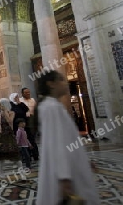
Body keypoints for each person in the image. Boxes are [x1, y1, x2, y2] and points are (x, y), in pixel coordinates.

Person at [36, 70, 100, 205]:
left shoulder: (52, 106)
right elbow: (56, 144)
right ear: (51, 84)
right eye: (62, 80)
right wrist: (64, 177)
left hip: (71, 167)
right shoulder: (51, 108)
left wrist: (83, 159)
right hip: (66, 173)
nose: (66, 84)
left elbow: (67, 140)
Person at [0, 98, 25, 180]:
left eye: (1, 104)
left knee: (16, 155)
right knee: (1, 156)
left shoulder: (12, 112)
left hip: (9, 136)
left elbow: (9, 121)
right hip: (1, 136)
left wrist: (5, 111)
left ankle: (22, 173)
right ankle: (1, 173)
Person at [20, 87, 39, 161]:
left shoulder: (33, 100)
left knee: (32, 138)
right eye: (26, 92)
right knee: (25, 139)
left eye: (29, 92)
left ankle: (34, 154)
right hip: (24, 121)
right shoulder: (20, 101)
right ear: (22, 93)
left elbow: (36, 111)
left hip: (32, 121)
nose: (28, 94)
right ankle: (28, 155)